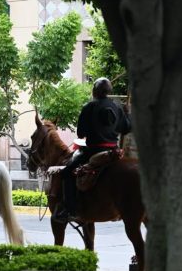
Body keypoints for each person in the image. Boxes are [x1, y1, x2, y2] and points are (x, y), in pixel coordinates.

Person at [55, 77, 131, 221]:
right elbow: (127, 128)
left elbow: (81, 134)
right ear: (109, 91)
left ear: (95, 91)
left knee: (66, 172)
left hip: (93, 151)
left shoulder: (89, 107)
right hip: (113, 152)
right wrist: (126, 114)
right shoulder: (117, 107)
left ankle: (69, 210)